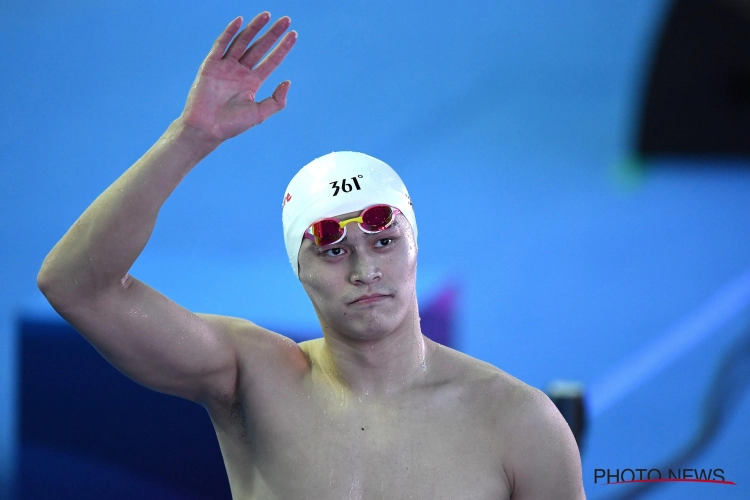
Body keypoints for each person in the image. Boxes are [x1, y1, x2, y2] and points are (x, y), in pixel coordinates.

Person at [37, 11, 585, 499]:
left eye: (384, 241)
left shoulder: (518, 423)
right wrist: (191, 137)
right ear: (297, 268)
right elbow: (77, 285)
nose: (364, 269)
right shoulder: (249, 379)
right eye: (332, 250)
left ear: (416, 246)